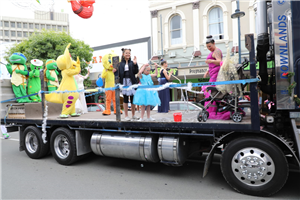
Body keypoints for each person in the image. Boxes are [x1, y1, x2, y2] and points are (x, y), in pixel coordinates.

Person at [203, 35, 230, 120]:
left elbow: (220, 62)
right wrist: (208, 71)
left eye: (210, 46)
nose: (209, 48)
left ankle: (213, 111)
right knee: (212, 93)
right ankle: (213, 110)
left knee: (212, 92)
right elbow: (212, 65)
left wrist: (211, 61)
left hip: (216, 75)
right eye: (207, 47)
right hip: (213, 73)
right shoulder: (213, 51)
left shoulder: (217, 51)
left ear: (214, 43)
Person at [117, 48, 139, 121]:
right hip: (124, 82)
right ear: (123, 54)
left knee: (133, 98)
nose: (128, 54)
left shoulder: (132, 62)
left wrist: (135, 64)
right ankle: (126, 115)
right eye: (126, 53)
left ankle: (133, 115)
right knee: (125, 98)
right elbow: (118, 74)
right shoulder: (120, 64)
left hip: (131, 81)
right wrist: (114, 71)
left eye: (129, 53)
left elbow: (136, 71)